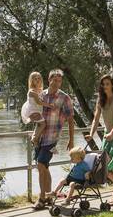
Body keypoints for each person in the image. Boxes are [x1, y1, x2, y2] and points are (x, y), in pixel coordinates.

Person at [85, 74, 113, 206]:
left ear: (112, 85)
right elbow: (96, 118)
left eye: (107, 84)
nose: (105, 86)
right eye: (103, 84)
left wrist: (112, 132)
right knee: (104, 166)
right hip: (108, 135)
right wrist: (91, 134)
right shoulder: (101, 99)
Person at [33, 69, 74, 209]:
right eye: (54, 80)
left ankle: (41, 198)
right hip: (39, 136)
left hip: (52, 138)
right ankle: (50, 197)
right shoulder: (41, 95)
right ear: (49, 80)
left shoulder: (64, 98)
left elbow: (70, 119)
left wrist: (71, 139)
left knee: (40, 164)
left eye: (59, 81)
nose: (57, 83)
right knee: (44, 167)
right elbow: (33, 112)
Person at [20, 71, 58, 146]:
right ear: (32, 81)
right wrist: (50, 105)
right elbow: (39, 102)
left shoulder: (39, 90)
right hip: (33, 111)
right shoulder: (32, 92)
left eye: (39, 78)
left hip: (37, 110)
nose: (37, 80)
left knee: (40, 124)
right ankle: (34, 139)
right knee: (43, 124)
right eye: (35, 79)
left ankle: (35, 139)